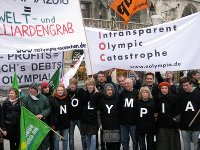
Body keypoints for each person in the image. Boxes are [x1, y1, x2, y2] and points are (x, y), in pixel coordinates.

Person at [22, 82, 51, 150]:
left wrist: (42, 114)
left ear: (36, 89)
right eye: (30, 88)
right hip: (32, 125)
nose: (30, 90)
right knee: (33, 141)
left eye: (32, 88)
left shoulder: (44, 98)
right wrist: (32, 118)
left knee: (43, 141)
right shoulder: (25, 99)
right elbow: (24, 111)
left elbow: (48, 108)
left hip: (42, 123)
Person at [155, 82, 181, 150]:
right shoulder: (157, 98)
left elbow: (177, 110)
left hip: (172, 123)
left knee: (172, 143)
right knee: (162, 143)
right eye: (162, 88)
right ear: (160, 89)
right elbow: (155, 110)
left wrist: (177, 121)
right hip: (161, 123)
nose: (164, 90)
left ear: (168, 89)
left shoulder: (174, 97)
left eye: (165, 88)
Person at [178, 77, 200, 150]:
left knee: (196, 145)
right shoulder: (181, 94)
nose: (185, 87)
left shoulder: (198, 93)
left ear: (191, 84)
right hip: (184, 125)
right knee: (186, 146)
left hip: (196, 126)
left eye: (187, 85)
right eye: (183, 86)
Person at [98, 83, 120, 150]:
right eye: (108, 90)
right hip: (106, 125)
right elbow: (99, 113)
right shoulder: (101, 100)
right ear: (105, 91)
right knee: (108, 144)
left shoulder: (117, 99)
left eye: (111, 89)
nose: (109, 91)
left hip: (115, 125)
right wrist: (100, 123)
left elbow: (120, 112)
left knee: (116, 144)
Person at [67, 78, 87, 150]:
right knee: (71, 136)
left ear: (76, 85)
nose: (72, 85)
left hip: (79, 118)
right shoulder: (67, 92)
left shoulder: (81, 91)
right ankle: (72, 148)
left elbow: (86, 100)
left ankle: (85, 148)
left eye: (74, 84)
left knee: (83, 135)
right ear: (69, 85)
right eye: (71, 84)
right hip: (71, 118)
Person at [119, 78, 138, 150]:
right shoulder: (121, 94)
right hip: (123, 123)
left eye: (128, 83)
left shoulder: (137, 93)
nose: (126, 85)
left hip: (133, 123)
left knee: (135, 141)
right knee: (124, 141)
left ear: (132, 84)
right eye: (125, 83)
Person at [81, 78, 99, 150]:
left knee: (94, 137)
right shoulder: (84, 94)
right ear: (86, 86)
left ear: (94, 86)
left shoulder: (98, 94)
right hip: (85, 120)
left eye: (91, 85)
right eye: (88, 85)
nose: (90, 86)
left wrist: (97, 92)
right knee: (87, 138)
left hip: (94, 120)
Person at [49, 85, 69, 150]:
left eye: (61, 90)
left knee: (65, 139)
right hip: (56, 123)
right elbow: (51, 113)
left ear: (64, 91)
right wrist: (52, 123)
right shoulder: (52, 99)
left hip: (65, 123)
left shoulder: (67, 99)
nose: (60, 91)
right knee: (56, 139)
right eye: (58, 90)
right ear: (56, 91)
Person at [40, 81, 54, 150]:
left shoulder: (52, 96)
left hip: (51, 119)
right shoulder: (40, 97)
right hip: (44, 119)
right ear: (42, 89)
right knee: (45, 137)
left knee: (51, 136)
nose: (47, 89)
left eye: (48, 87)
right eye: (45, 87)